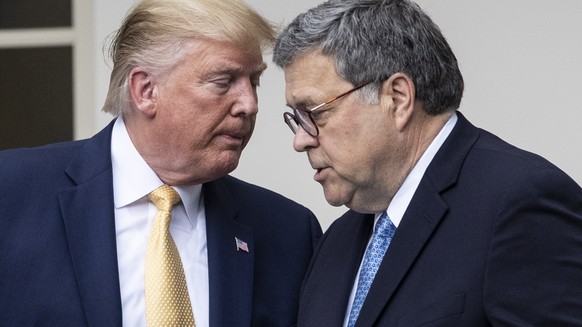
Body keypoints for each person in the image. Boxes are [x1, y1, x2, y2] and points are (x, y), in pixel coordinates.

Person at [0, 0, 322, 326]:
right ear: (146, 90)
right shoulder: (12, 193)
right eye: (224, 82)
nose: (249, 105)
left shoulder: (289, 233)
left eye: (254, 82)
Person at [273, 0, 582, 326]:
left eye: (315, 113)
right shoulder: (336, 241)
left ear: (397, 98)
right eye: (297, 119)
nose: (300, 140)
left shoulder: (519, 203)